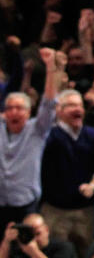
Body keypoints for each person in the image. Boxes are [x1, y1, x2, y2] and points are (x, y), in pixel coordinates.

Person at [40, 88, 94, 253]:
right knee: (57, 255)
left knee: (84, 256)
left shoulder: (92, 136)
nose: (77, 109)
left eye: (80, 105)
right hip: (55, 211)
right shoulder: (49, 136)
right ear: (59, 110)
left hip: (85, 211)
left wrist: (93, 186)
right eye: (71, 105)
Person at [0, 47, 59, 229]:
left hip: (26, 204)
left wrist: (50, 67)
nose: (14, 112)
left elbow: (49, 103)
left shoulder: (37, 129)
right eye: (9, 108)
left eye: (19, 108)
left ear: (28, 113)